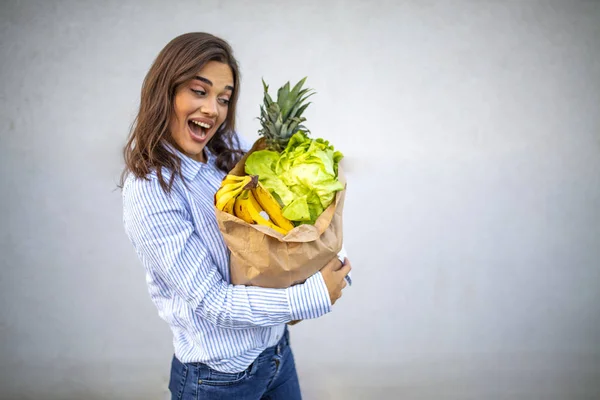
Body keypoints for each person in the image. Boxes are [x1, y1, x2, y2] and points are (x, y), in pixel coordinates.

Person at [119, 32, 352, 400]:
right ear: (165, 92)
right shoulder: (151, 189)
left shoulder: (229, 153)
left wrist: (321, 257)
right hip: (218, 379)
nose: (213, 109)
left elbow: (285, 225)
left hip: (276, 353)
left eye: (224, 98)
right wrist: (313, 295)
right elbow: (213, 302)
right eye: (200, 91)